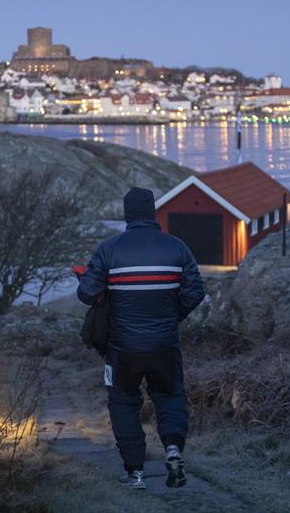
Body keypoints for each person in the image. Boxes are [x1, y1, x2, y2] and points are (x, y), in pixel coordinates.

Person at [77, 187, 205, 490]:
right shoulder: (177, 247)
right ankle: (173, 452)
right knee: (170, 397)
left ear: (126, 214)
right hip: (164, 344)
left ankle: (134, 473)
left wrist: (93, 280)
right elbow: (195, 292)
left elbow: (86, 293)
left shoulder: (110, 249)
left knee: (123, 403)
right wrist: (172, 317)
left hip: (123, 348)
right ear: (153, 213)